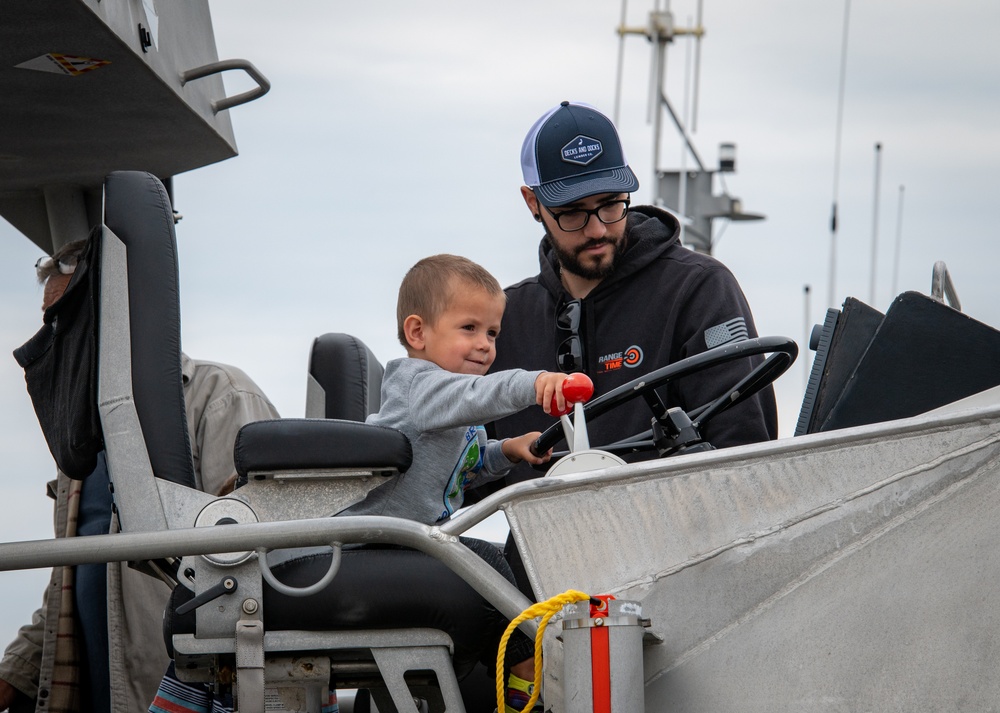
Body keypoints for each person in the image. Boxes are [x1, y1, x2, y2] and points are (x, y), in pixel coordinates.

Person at [0, 240, 281, 713]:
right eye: (48, 322)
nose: (52, 339)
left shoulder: (221, 398)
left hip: (183, 694)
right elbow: (69, 585)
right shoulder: (79, 445)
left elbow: (249, 571)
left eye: (63, 321)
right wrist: (12, 677)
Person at [490, 100, 778, 470]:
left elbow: (744, 451)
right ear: (533, 203)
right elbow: (457, 476)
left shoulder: (699, 289)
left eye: (611, 204)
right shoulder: (502, 320)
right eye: (573, 212)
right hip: (535, 529)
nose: (597, 229)